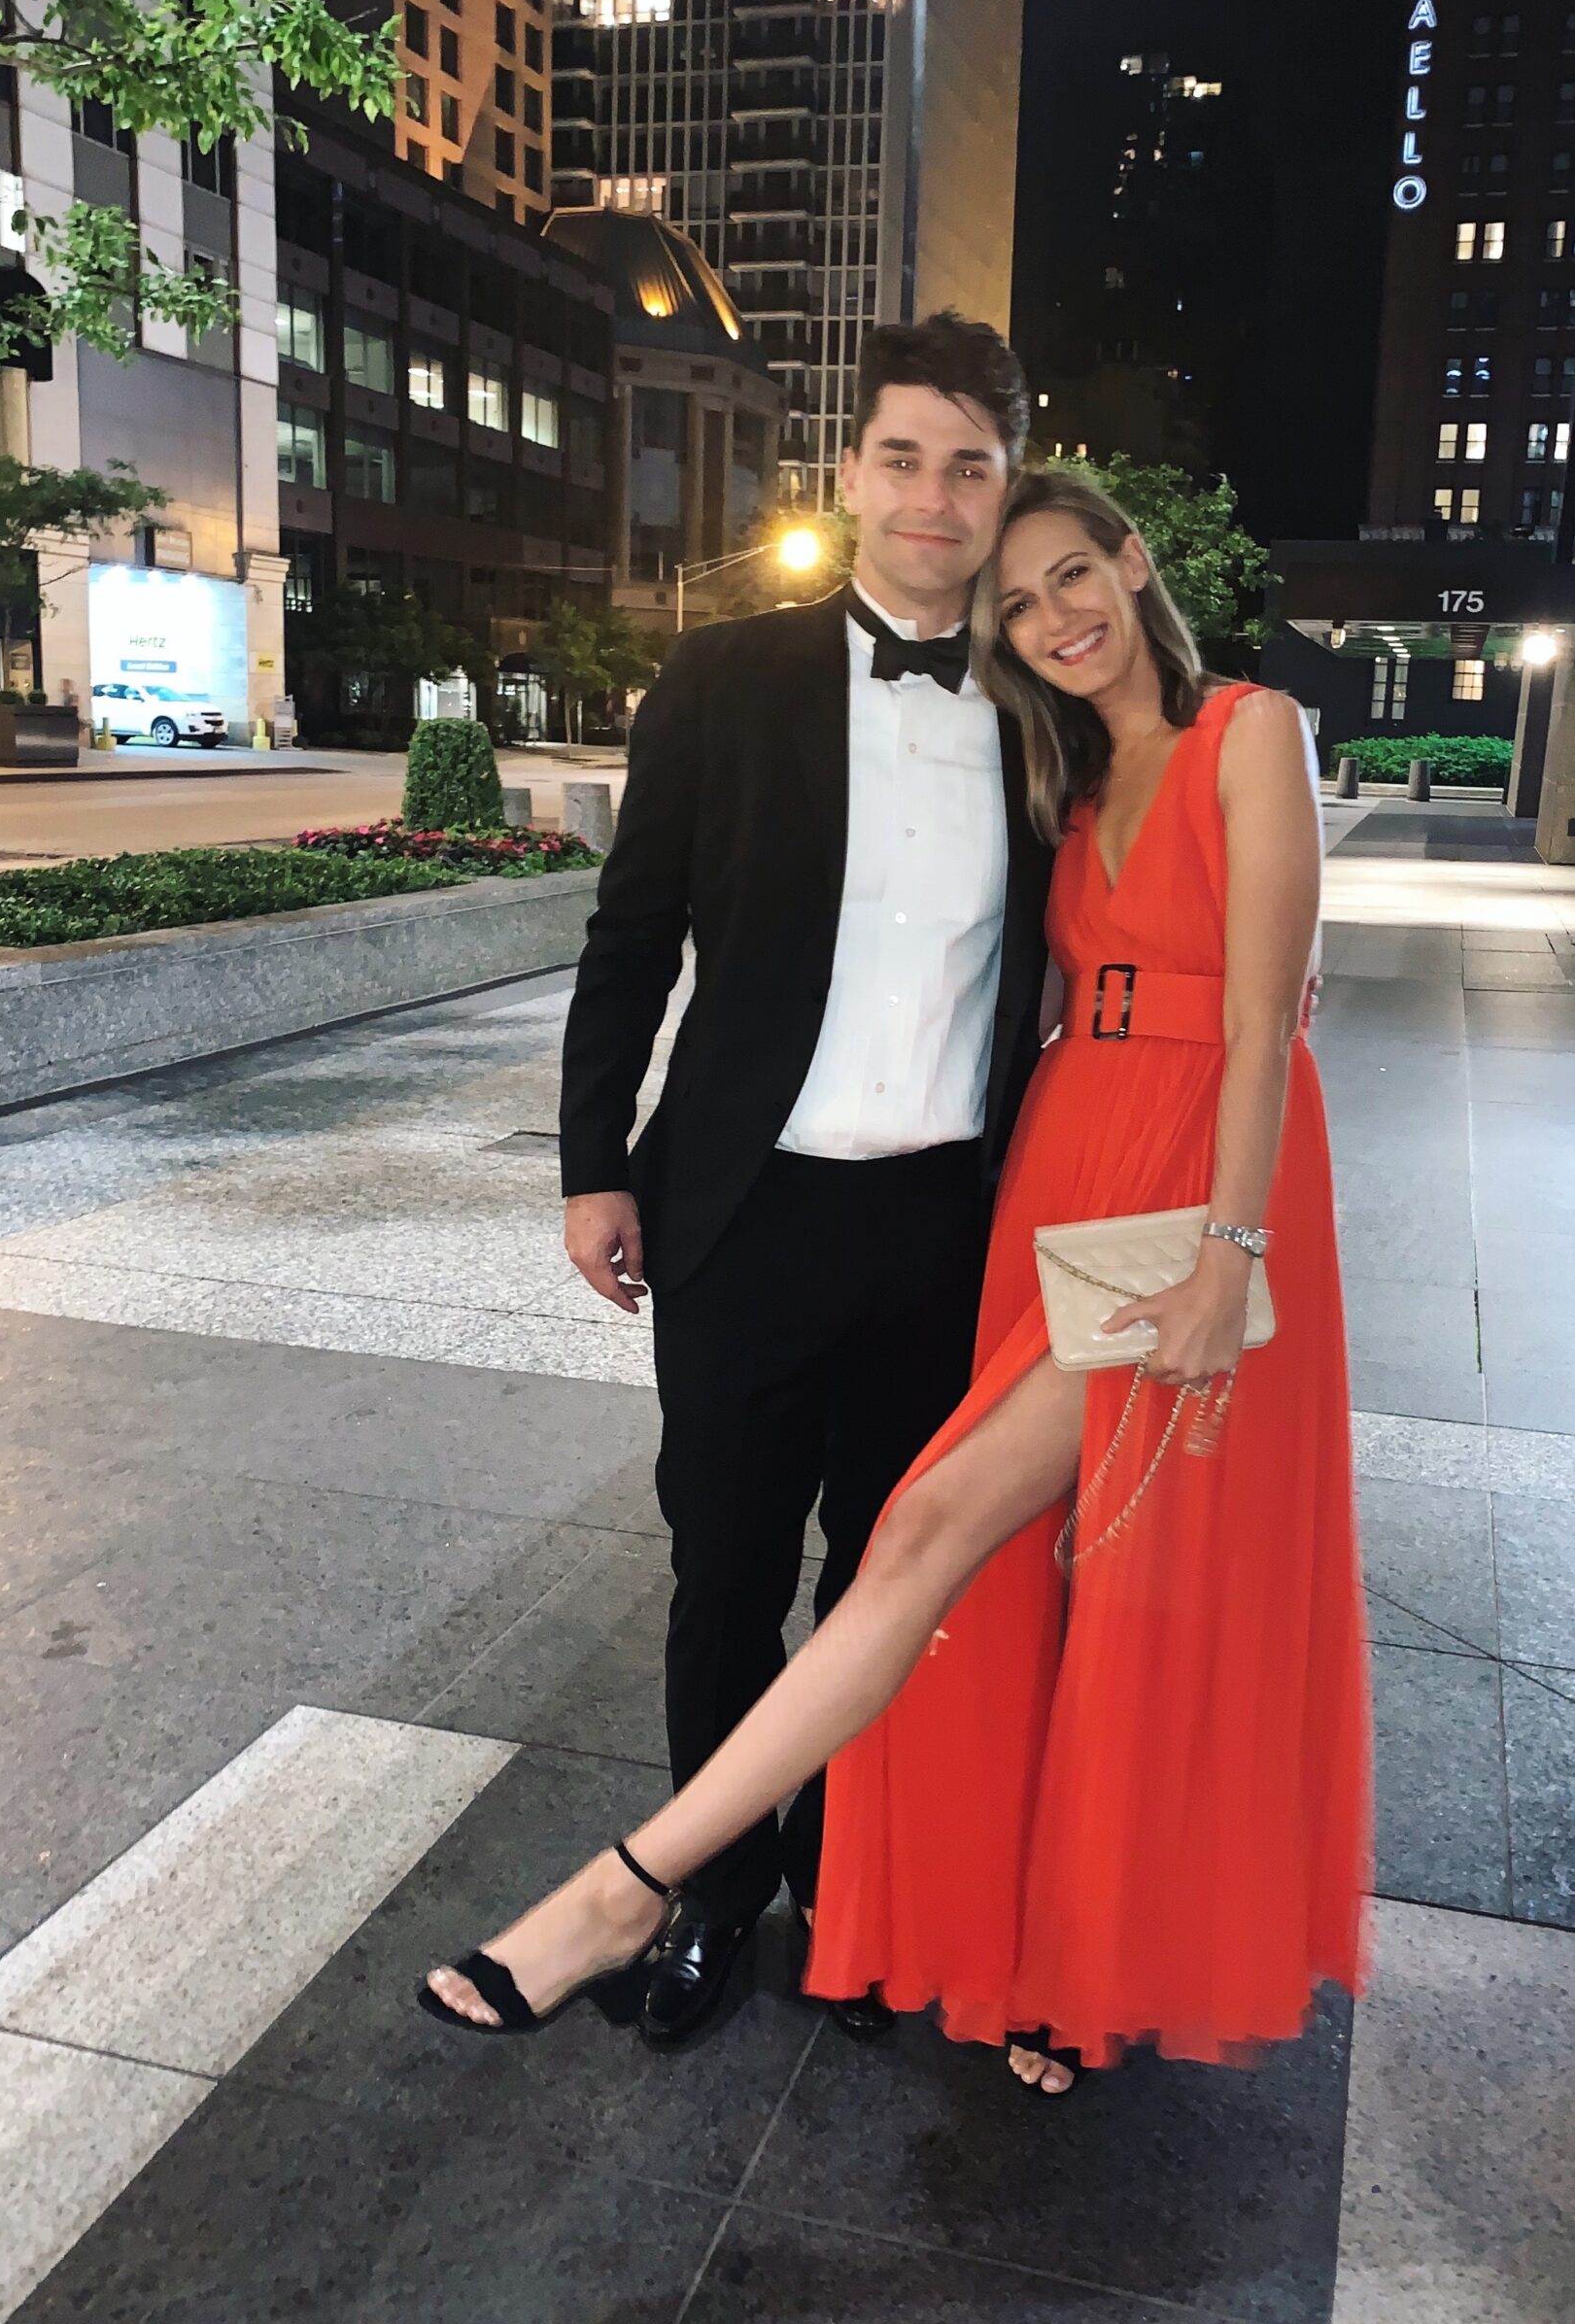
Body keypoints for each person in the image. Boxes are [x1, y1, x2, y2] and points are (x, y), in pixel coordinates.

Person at [422, 468, 1371, 2093]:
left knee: (954, 1545)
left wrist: (1231, 1251)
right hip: (1049, 1177)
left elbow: (1269, 1016)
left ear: (1136, 569)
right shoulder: (1061, 771)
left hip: (1190, 1190)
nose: (1057, 618)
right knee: (1026, 1584)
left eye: (1076, 576)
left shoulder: (1251, 732)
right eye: (1020, 605)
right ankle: (1030, 1955)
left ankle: (618, 1889)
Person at [527, 312, 1055, 2047]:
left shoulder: (1054, 717)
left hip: (942, 1228)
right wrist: (592, 1165)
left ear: (1003, 489)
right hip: (742, 1216)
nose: (932, 494)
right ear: (852, 471)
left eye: (968, 465)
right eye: (902, 457)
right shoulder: (725, 680)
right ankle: (709, 1891)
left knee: (892, 1576)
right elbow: (629, 941)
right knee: (727, 1568)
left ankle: (854, 1887)